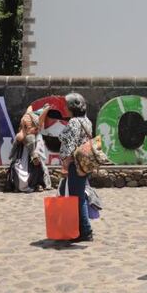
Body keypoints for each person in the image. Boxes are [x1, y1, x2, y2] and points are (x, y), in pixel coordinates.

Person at [58, 92, 94, 243]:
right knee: (78, 195)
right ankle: (81, 228)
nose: (65, 108)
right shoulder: (87, 121)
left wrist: (65, 163)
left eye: (67, 105)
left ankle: (85, 230)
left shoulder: (73, 122)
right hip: (84, 163)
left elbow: (70, 144)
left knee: (77, 198)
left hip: (75, 164)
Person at [8, 104, 51, 192]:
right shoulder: (22, 133)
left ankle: (38, 184)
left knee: (38, 166)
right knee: (17, 166)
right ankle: (16, 184)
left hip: (32, 153)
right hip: (23, 152)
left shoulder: (36, 136)